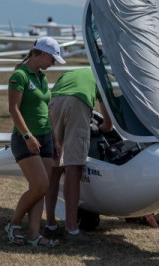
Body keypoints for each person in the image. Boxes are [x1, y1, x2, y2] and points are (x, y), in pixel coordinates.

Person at [4, 37, 65, 247]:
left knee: (42, 188)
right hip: (26, 138)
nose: (53, 64)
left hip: (46, 138)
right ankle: (14, 223)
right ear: (43, 54)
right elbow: (14, 109)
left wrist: (55, 140)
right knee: (40, 185)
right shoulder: (19, 76)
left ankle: (34, 235)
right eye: (52, 59)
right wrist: (27, 135)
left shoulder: (42, 78)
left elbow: (45, 111)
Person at [45, 67, 112, 244]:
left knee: (54, 168)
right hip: (77, 105)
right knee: (73, 167)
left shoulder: (68, 74)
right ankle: (72, 229)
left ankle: (50, 225)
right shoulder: (102, 76)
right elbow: (109, 124)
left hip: (53, 103)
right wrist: (100, 128)